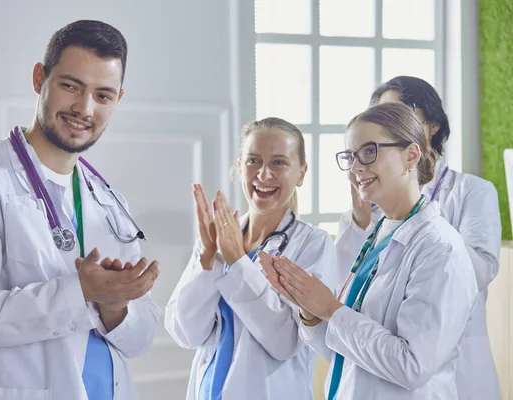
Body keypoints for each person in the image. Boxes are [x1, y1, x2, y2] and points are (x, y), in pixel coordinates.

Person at [0, 20, 160, 400]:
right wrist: (80, 290)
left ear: (118, 99)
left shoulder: (107, 199)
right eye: (71, 86)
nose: (84, 108)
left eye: (103, 95)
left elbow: (139, 339)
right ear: (39, 78)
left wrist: (115, 308)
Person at [262, 102, 478, 399]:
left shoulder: (440, 249)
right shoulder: (379, 235)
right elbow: (346, 352)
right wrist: (310, 311)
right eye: (350, 157)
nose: (355, 168)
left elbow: (412, 366)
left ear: (411, 155)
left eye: (368, 152)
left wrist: (331, 309)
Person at [334, 76, 501, 399]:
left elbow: (479, 269)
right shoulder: (371, 197)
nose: (388, 120)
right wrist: (363, 221)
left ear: (432, 125)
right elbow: (345, 280)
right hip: (376, 363)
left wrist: (414, 214)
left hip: (455, 354)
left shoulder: (471, 192)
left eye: (398, 111)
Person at [165, 117, 339, 399]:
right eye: (253, 161)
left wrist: (237, 262)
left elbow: (285, 343)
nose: (264, 174)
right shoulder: (218, 239)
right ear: (239, 167)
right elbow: (185, 333)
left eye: (279, 162)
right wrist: (209, 263)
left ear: (302, 173)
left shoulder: (313, 245)